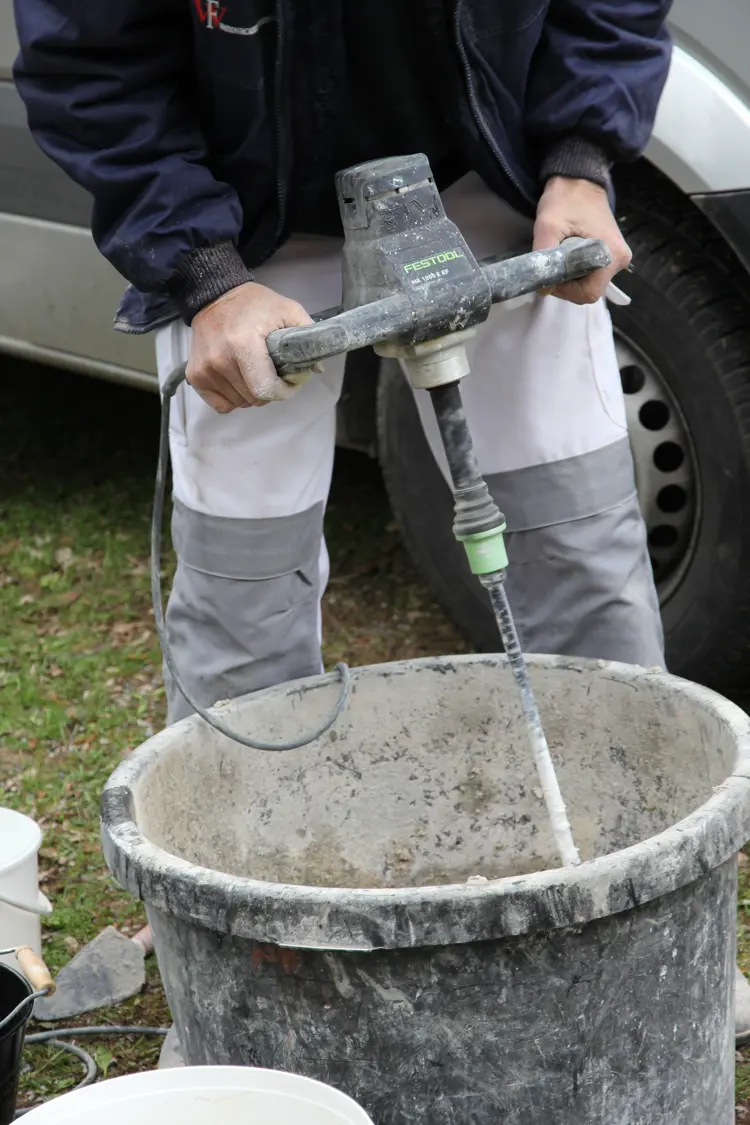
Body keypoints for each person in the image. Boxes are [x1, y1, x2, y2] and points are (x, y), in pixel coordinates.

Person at [14, 0, 749, 1041]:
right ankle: (247, 995)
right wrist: (202, 274)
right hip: (245, 221)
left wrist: (580, 161)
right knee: (244, 616)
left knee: (582, 567)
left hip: (490, 172)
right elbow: (88, 63)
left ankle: (656, 950)